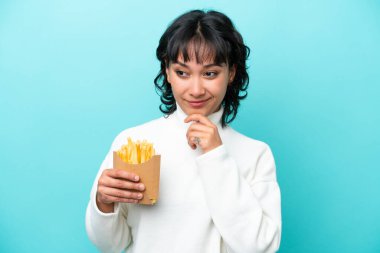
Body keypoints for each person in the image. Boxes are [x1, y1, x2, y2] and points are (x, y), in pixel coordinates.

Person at [86, 9, 281, 253]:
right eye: (182, 73)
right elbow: (113, 244)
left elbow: (259, 247)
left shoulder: (255, 154)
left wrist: (215, 155)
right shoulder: (133, 142)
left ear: (231, 73)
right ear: (167, 71)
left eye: (210, 73)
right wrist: (103, 204)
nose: (196, 89)